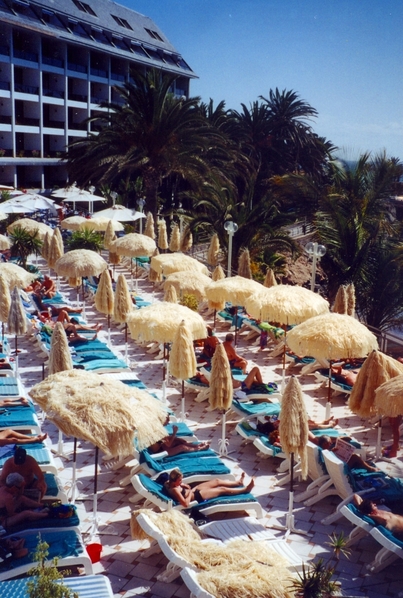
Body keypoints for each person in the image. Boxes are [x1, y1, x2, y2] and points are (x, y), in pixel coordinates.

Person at [164, 468, 255, 508]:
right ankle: (245, 490)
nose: (181, 481)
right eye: (180, 480)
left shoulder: (168, 483)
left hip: (194, 490)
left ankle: (238, 482)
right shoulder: (175, 490)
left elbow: (178, 485)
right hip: (197, 496)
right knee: (221, 489)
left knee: (217, 481)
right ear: (175, 480)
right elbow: (185, 504)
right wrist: (191, 492)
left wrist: (183, 485)